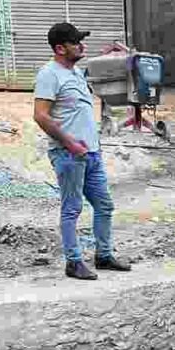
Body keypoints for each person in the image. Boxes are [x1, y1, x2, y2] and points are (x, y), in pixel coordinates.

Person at [33, 22, 131, 280]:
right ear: (59, 48)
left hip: (91, 154)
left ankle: (104, 255)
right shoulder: (49, 74)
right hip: (68, 155)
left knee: (104, 205)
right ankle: (73, 261)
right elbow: (40, 116)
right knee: (72, 209)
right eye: (75, 42)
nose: (81, 45)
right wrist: (69, 143)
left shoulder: (77, 73)